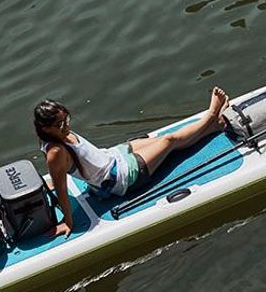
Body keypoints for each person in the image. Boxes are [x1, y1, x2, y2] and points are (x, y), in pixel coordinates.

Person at [33, 88, 229, 238]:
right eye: (60, 124)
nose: (66, 125)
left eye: (66, 119)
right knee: (169, 141)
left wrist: (56, 177)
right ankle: (211, 115)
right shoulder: (55, 152)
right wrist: (68, 222)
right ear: (45, 128)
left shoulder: (52, 137)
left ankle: (215, 126)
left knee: (162, 140)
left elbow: (64, 170)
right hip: (121, 177)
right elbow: (61, 188)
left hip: (114, 155)